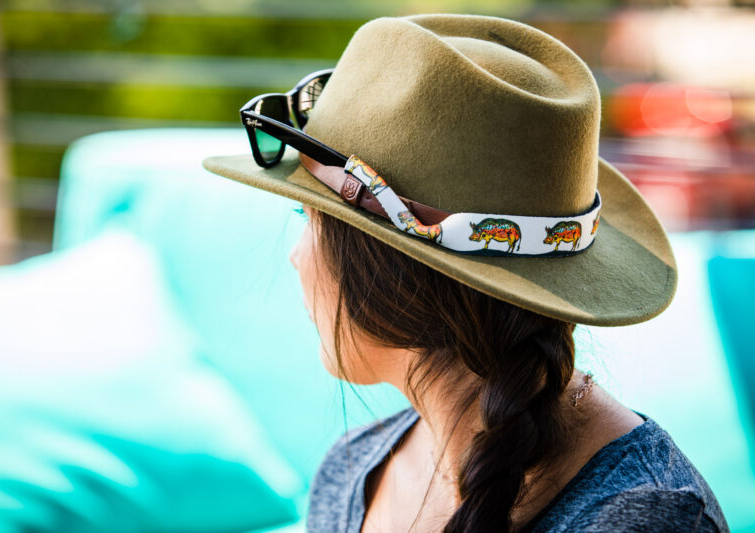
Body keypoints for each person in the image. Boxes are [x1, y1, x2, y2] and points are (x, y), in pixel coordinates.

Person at [203, 14, 730, 533]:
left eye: (309, 219)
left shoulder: (646, 520)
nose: (297, 256)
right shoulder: (353, 474)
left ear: (385, 263)